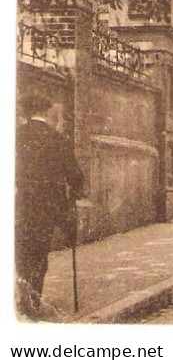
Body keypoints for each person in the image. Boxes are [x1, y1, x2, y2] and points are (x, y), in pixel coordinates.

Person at [16, 93, 84, 318]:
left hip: (19, 202)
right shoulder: (59, 140)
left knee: (21, 250)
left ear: (25, 112)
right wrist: (73, 196)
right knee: (39, 252)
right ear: (46, 113)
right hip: (47, 205)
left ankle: (23, 297)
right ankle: (33, 299)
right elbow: (75, 176)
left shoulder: (15, 137)